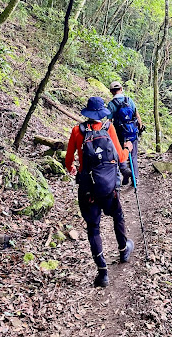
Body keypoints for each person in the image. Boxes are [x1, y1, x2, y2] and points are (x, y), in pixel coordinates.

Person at [65, 96, 134, 287]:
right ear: (102, 112)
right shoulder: (108, 128)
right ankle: (123, 250)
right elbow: (120, 156)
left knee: (93, 228)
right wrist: (128, 148)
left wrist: (71, 168)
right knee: (118, 216)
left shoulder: (77, 131)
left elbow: (69, 159)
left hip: (88, 188)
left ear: (87, 113)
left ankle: (102, 272)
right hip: (109, 187)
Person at [107, 81, 145, 182]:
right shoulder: (129, 100)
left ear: (111, 91)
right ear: (121, 89)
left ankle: (125, 170)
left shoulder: (111, 104)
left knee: (120, 152)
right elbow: (137, 115)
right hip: (131, 131)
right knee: (133, 155)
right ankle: (135, 178)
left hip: (118, 133)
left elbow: (109, 122)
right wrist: (139, 127)